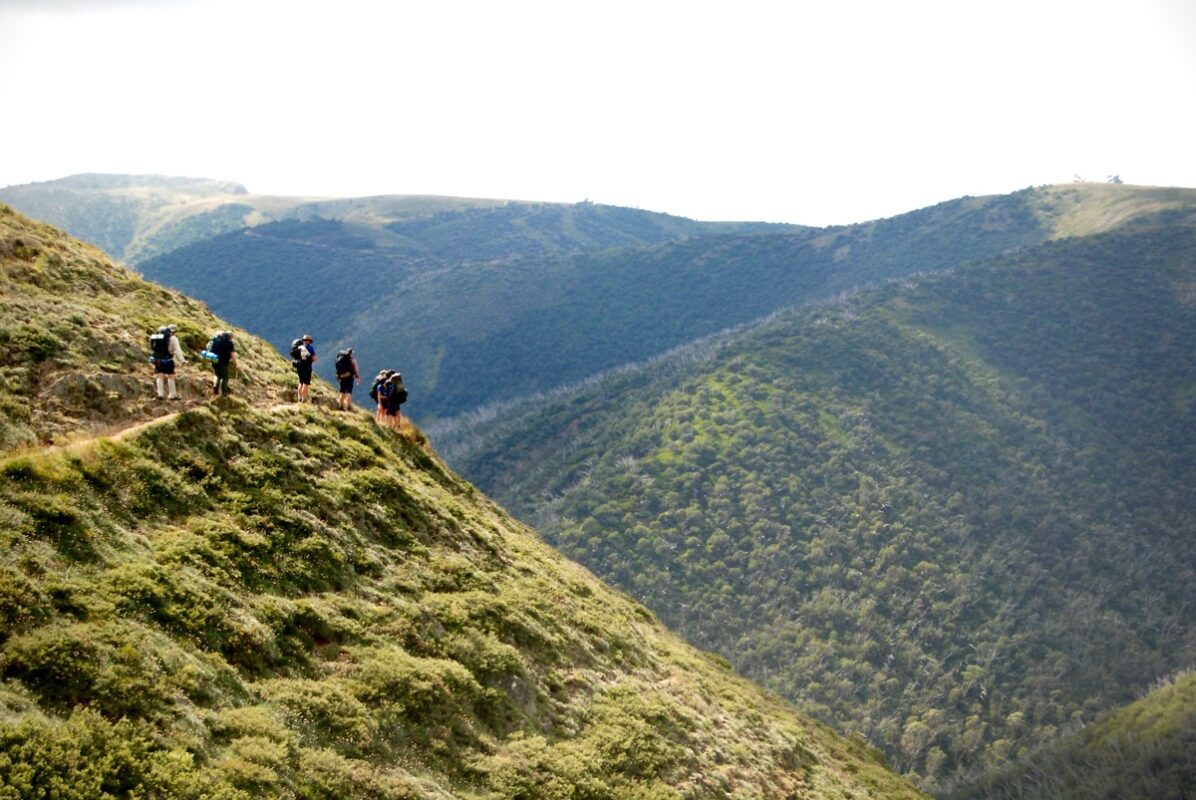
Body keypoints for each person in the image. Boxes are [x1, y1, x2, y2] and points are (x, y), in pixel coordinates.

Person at [149, 324, 187, 400]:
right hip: (168, 360)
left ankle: (160, 394)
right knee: (171, 376)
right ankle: (172, 395)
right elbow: (178, 350)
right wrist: (182, 361)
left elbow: (153, 347)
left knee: (160, 376)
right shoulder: (173, 338)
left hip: (158, 359)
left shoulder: (157, 337)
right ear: (174, 331)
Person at [208, 330, 237, 396]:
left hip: (214, 361)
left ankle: (215, 388)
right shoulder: (230, 343)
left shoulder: (217, 340)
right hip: (223, 363)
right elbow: (232, 354)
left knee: (217, 375)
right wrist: (235, 363)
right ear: (230, 337)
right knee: (225, 377)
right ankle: (224, 392)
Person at [293, 334, 317, 402]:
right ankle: (304, 399)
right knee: (306, 383)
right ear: (309, 341)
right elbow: (314, 359)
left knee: (301, 382)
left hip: (299, 367)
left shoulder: (299, 347)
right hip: (307, 368)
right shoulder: (310, 348)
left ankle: (299, 398)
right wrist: (309, 360)